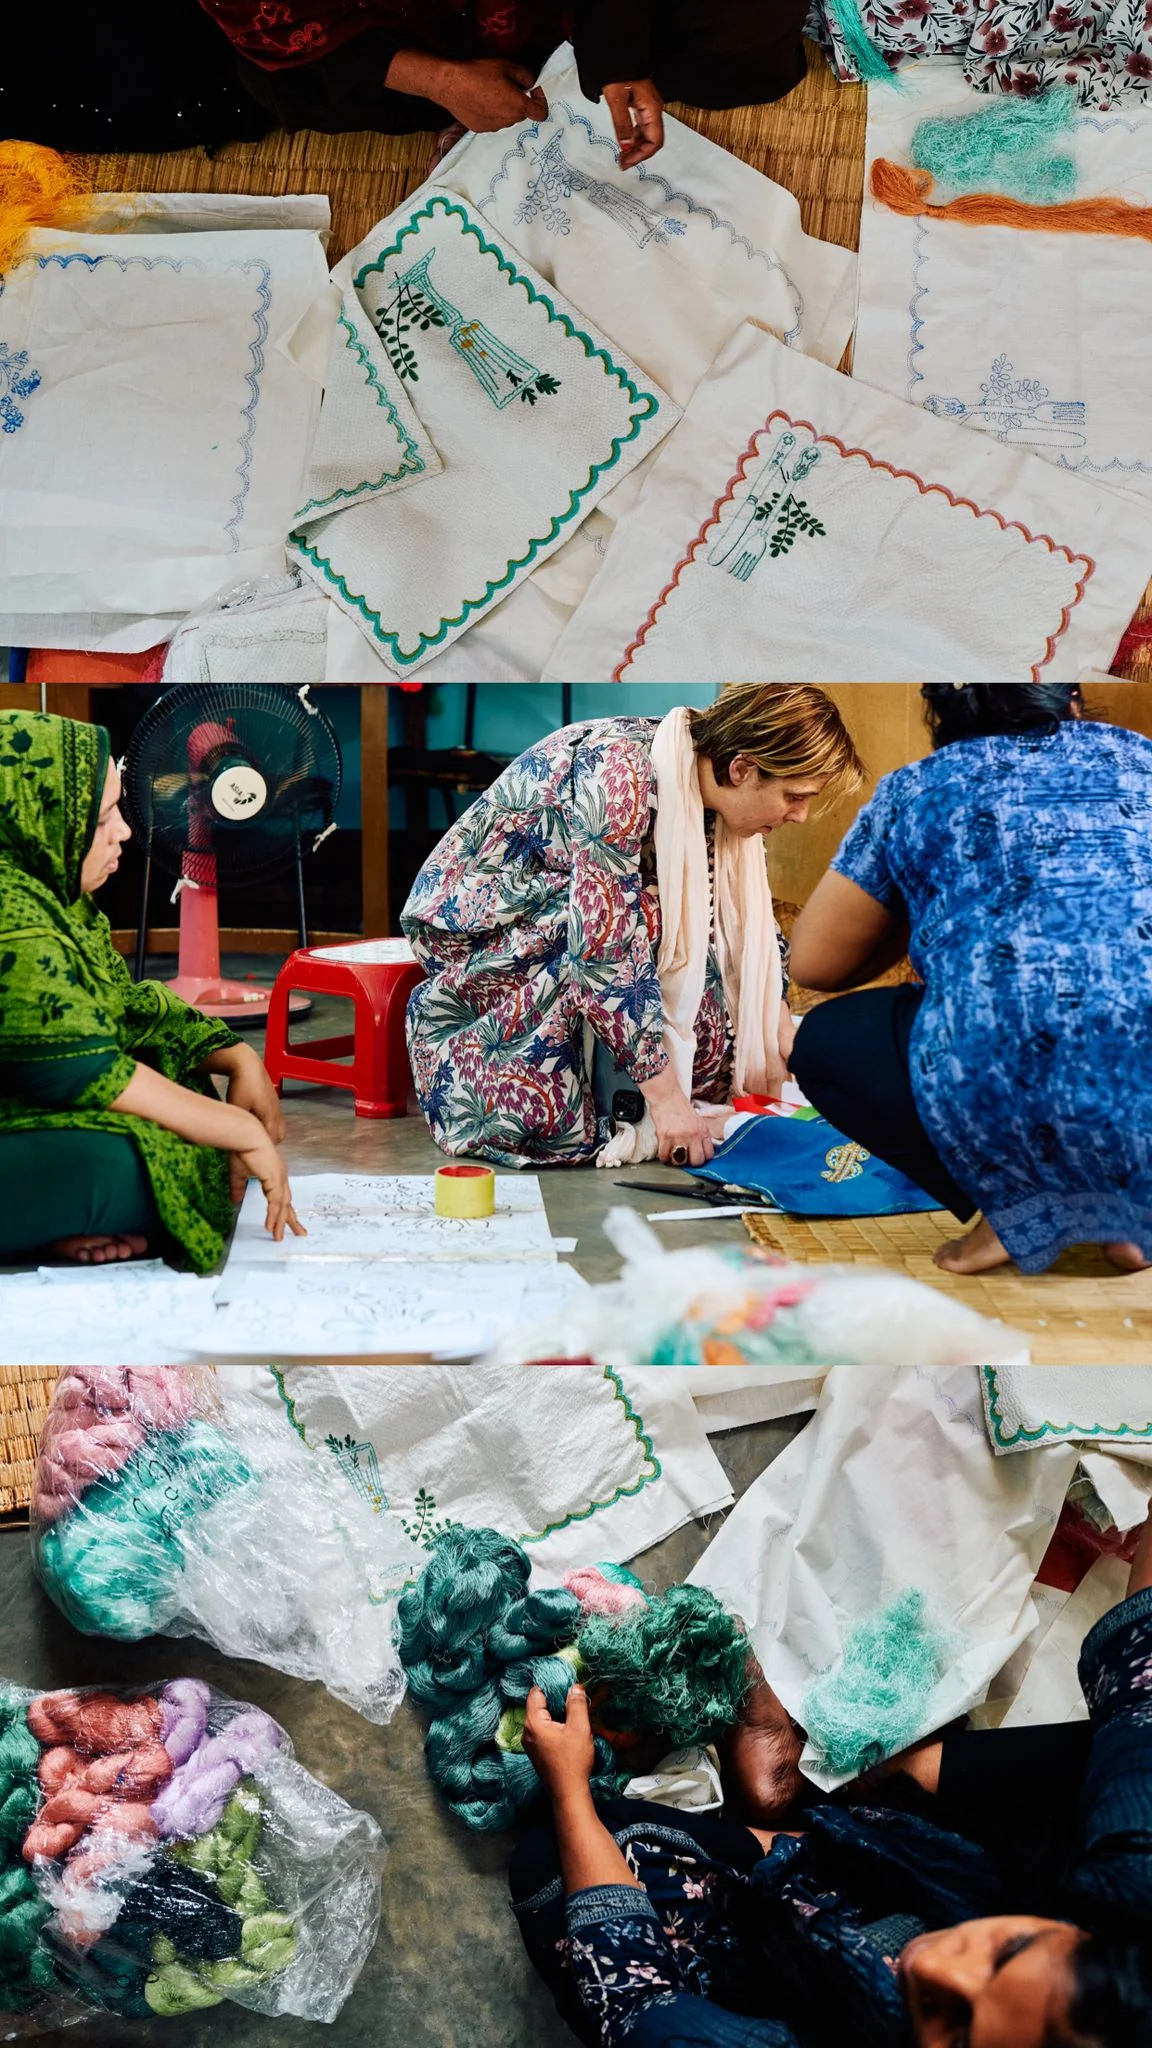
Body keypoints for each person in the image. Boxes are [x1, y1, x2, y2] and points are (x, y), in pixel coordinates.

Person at [511, 1495, 1152, 2048]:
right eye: (1007, 1951)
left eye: (956, 2031)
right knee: (1115, 1754)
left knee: (553, 1857)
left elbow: (634, 2012)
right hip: (928, 1877)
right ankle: (818, 1791)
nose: (934, 1968)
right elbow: (1142, 1693)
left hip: (776, 1978)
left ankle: (785, 1829)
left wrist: (570, 1792)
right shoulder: (1130, 1930)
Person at [401, 686, 864, 1170]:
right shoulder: (618, 772)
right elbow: (602, 947)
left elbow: (750, 930)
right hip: (481, 935)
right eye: (793, 796)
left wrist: (781, 1032)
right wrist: (666, 1106)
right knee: (644, 918)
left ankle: (667, 1088)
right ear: (742, 769)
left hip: (584, 913)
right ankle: (610, 1106)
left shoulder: (702, 780)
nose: (801, 815)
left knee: (688, 917)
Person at [785, 684, 1152, 1277]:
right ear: (1074, 704)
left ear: (945, 721)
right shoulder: (1142, 757)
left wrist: (926, 892)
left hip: (994, 1063)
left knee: (826, 1042)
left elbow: (814, 965)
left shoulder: (923, 785)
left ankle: (1020, 1205)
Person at [0, 711, 304, 1272]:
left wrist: (237, 1054)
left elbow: (123, 1004)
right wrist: (237, 1129)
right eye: (103, 818)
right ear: (39, 816)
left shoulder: (57, 897)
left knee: (175, 1086)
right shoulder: (13, 914)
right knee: (118, 1165)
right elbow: (82, 1070)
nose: (125, 832)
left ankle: (53, 1222)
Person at [196, 0, 814, 158]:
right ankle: (467, 98)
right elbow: (265, 22)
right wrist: (437, 79)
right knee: (279, 84)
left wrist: (618, 51)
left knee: (747, 36)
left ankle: (574, 71)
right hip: (394, 27)